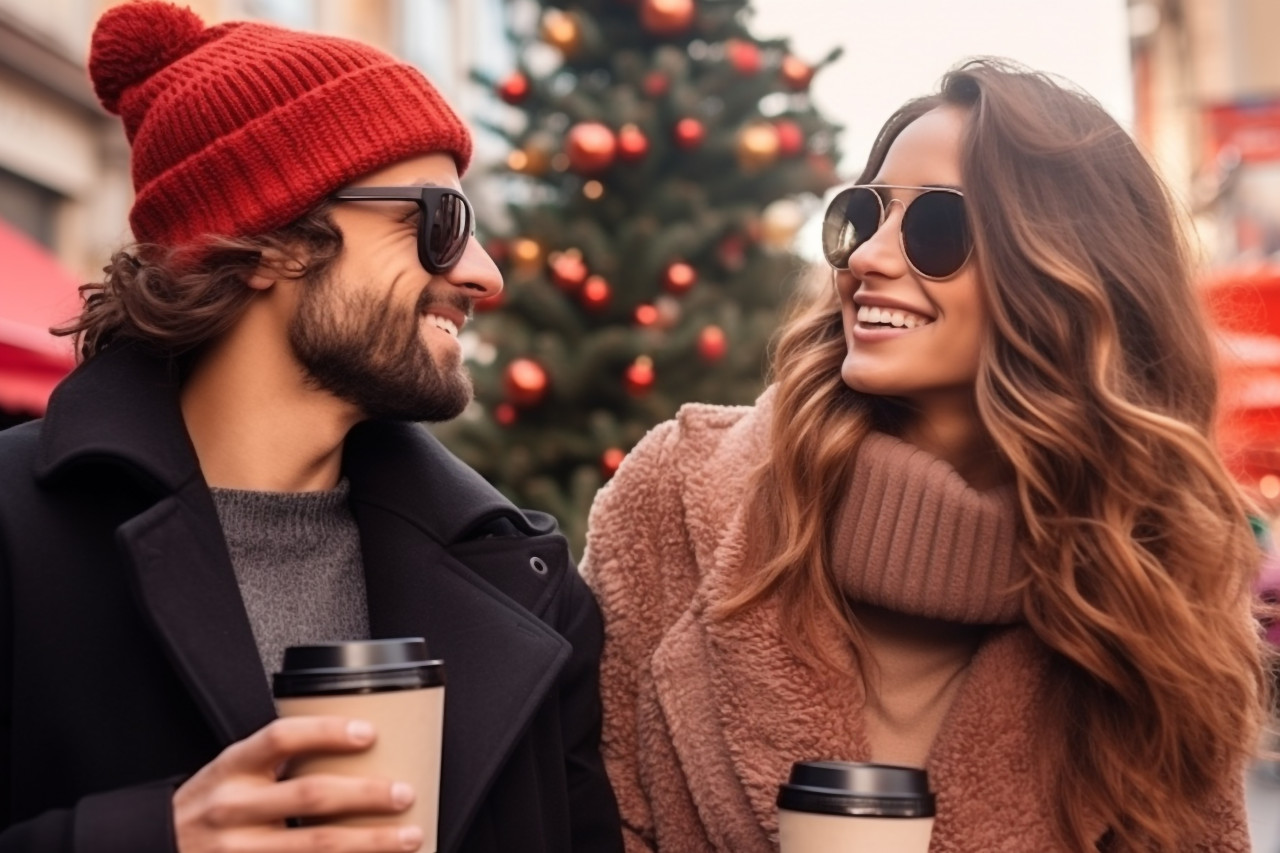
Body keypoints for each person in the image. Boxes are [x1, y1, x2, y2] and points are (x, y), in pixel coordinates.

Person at [582, 58, 1271, 852]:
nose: (869, 257)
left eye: (936, 228)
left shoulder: (1150, 601)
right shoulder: (677, 497)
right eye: (861, 217)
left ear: (1063, 276)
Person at [0, 3, 622, 852]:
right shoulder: (15, 535)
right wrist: (153, 836)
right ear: (266, 243)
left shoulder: (531, 588)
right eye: (438, 223)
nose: (481, 275)